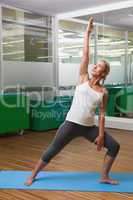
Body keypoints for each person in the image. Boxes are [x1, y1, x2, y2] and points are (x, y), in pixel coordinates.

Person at [25, 17, 120, 186]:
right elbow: (85, 54)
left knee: (114, 146)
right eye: (95, 65)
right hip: (70, 124)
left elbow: (103, 114)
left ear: (104, 73)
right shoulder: (83, 77)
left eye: (99, 66)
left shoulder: (103, 92)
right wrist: (87, 33)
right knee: (52, 151)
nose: (95, 67)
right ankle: (33, 175)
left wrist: (100, 134)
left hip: (89, 127)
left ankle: (104, 176)